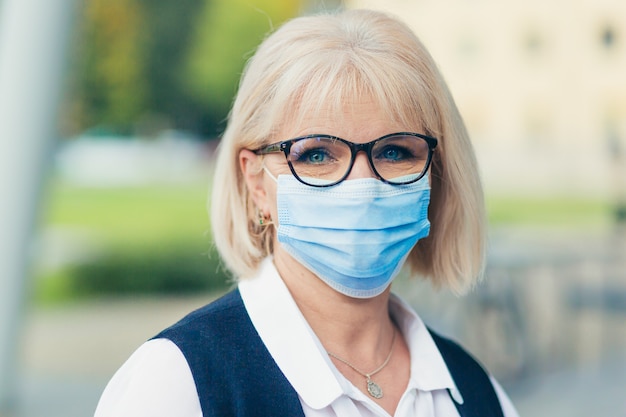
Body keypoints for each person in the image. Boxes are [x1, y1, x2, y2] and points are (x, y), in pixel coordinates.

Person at [94, 9, 519, 417]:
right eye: (316, 154)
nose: (362, 187)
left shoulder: (477, 392)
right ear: (257, 183)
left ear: (438, 176)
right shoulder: (179, 383)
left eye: (394, 151)